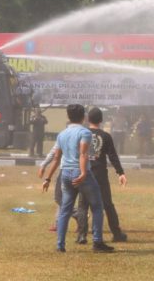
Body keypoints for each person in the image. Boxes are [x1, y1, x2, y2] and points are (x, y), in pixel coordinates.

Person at [42, 104, 113, 253]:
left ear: (68, 117)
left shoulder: (62, 134)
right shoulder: (84, 132)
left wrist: (47, 178)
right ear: (84, 117)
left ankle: (60, 245)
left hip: (65, 174)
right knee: (97, 206)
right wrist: (83, 173)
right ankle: (97, 242)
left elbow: (56, 158)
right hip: (79, 173)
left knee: (65, 210)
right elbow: (83, 154)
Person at [76, 107, 128, 244]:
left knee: (83, 205)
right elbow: (113, 156)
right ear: (101, 120)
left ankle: (82, 235)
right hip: (100, 175)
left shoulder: (82, 134)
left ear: (88, 119)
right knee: (107, 205)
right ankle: (116, 233)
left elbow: (78, 154)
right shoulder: (105, 136)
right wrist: (120, 172)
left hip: (85, 172)